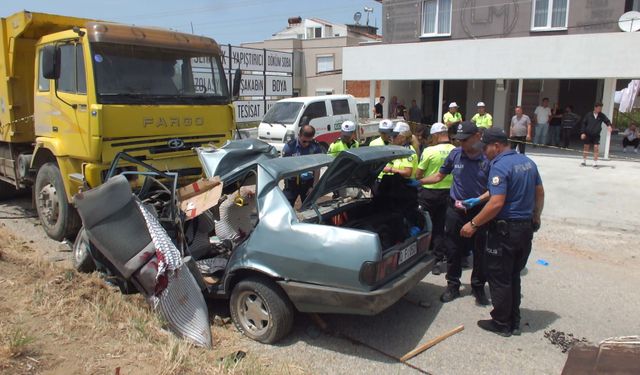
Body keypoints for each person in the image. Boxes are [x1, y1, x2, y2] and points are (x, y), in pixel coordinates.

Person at [460, 127, 544, 337]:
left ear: (496, 146)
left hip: (505, 231)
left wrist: (474, 223)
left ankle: (501, 322)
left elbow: (497, 203)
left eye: (485, 147)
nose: (484, 152)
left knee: (499, 277)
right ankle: (513, 320)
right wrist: (536, 216)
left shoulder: (498, 165)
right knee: (514, 275)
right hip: (525, 229)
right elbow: (539, 192)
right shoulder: (526, 162)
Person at [417, 121, 489, 305]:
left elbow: (495, 189)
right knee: (452, 248)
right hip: (455, 209)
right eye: (459, 140)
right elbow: (439, 176)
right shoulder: (455, 154)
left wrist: (479, 200)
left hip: (479, 210)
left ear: (477, 136)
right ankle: (453, 285)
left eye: (465, 140)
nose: (461, 143)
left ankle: (478, 286)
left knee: (479, 250)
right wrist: (419, 182)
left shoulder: (487, 157)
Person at [416, 123, 454, 275]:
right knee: (441, 226)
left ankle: (423, 254)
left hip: (429, 193)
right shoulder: (455, 150)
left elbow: (419, 173)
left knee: (424, 224)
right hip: (449, 193)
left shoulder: (429, 151)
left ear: (436, 135)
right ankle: (438, 260)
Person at [281, 125, 323, 206]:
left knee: (309, 207)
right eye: (304, 141)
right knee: (285, 205)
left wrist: (314, 186)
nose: (306, 144)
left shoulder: (315, 147)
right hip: (292, 182)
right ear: (299, 135)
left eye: (309, 141)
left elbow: (317, 168)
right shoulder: (289, 147)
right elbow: (284, 167)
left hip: (308, 183)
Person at [580, 102, 613, 167]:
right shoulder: (588, 115)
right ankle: (584, 161)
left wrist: (609, 126)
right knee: (586, 147)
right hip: (588, 134)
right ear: (595, 108)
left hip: (596, 135)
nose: (600, 110)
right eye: (599, 108)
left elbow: (607, 121)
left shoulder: (601, 115)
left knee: (596, 147)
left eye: (601, 108)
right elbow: (583, 123)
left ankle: (595, 162)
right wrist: (582, 133)